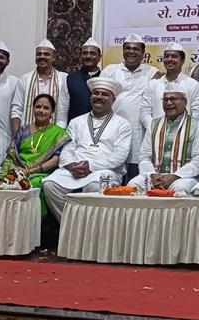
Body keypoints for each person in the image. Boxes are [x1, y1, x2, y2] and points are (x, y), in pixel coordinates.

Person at [42, 78, 132, 219]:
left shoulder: (122, 124)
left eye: (104, 94)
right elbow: (67, 148)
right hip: (75, 169)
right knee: (50, 185)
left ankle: (90, 227)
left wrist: (91, 166)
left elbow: (119, 156)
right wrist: (71, 166)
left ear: (113, 100)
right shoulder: (76, 121)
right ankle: (69, 223)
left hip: (104, 170)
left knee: (95, 186)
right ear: (90, 97)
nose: (99, 97)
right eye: (96, 93)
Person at [0, 94, 69, 228]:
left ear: (52, 112)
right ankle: (6, 226)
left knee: (35, 183)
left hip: (43, 173)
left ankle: (32, 227)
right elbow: (12, 154)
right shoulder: (23, 130)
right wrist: (14, 171)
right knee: (2, 181)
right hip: (18, 170)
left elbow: (56, 160)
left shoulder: (58, 133)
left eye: (46, 108)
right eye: (38, 107)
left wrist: (30, 171)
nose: (41, 110)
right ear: (33, 109)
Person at [130, 84, 199, 193]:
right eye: (165, 100)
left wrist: (174, 176)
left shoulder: (197, 125)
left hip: (184, 177)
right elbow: (144, 156)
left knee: (180, 189)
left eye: (173, 99)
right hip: (155, 176)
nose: (169, 103)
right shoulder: (154, 124)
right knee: (133, 186)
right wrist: (153, 175)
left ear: (185, 102)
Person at [101, 33, 155, 179]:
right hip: (111, 129)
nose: (131, 51)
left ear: (143, 53)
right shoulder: (110, 70)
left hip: (138, 131)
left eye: (136, 49)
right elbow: (99, 96)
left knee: (134, 173)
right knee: (110, 168)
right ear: (123, 51)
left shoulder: (151, 72)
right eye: (128, 48)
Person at [17, 38, 70, 129]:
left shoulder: (64, 78)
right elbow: (16, 110)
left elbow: (64, 111)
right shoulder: (24, 79)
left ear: (54, 57)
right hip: (28, 133)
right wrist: (17, 135)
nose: (42, 56)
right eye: (39, 54)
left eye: (46, 54)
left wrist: (58, 134)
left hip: (54, 133)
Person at [147, 42, 199, 124]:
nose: (169, 59)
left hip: (185, 131)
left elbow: (198, 114)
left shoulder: (193, 85)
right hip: (156, 131)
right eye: (166, 56)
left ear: (182, 60)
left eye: (174, 56)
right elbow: (145, 112)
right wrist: (155, 128)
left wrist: (186, 129)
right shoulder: (153, 85)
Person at [66, 37, 103, 121]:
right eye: (85, 53)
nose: (88, 56)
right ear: (80, 56)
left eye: (92, 53)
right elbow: (63, 108)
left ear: (99, 57)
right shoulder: (70, 79)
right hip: (75, 126)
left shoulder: (104, 78)